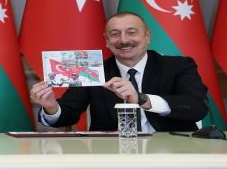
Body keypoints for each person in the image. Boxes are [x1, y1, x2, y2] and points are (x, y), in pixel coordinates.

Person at [30, 11, 208, 132]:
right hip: (111, 154)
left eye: (131, 32)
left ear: (148, 36)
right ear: (107, 41)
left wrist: (142, 99)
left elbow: (197, 107)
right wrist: (51, 107)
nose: (123, 40)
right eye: (115, 34)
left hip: (172, 152)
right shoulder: (92, 70)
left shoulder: (178, 66)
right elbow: (68, 114)